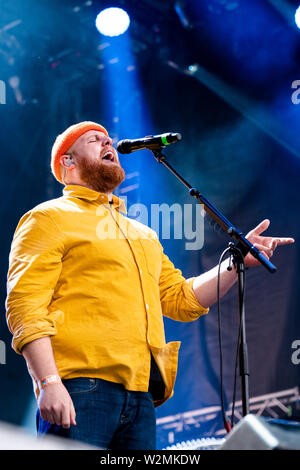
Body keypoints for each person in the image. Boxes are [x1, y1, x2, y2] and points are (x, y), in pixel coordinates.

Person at [5, 121, 294, 450]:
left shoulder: (142, 234)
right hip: (80, 388)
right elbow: (25, 305)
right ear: (68, 161)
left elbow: (182, 299)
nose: (108, 144)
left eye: (108, 140)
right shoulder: (48, 218)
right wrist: (48, 381)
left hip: (141, 397)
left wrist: (234, 261)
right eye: (94, 140)